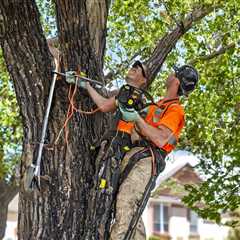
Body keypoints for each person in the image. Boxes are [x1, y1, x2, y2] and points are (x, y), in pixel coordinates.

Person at [66, 62, 198, 240]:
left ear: (176, 81)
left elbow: (159, 139)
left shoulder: (175, 110)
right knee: (125, 208)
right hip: (132, 156)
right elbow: (106, 106)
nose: (169, 74)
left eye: (174, 73)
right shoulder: (155, 105)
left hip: (147, 159)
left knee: (126, 203)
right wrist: (85, 85)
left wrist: (136, 118)